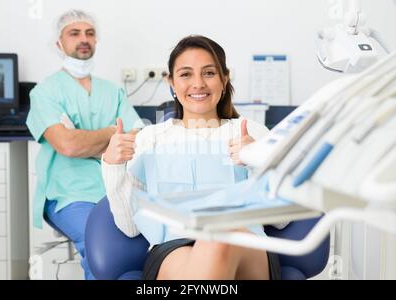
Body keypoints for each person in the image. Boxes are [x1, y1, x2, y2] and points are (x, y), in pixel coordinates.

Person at [102, 35, 282, 280]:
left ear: (224, 78)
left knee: (219, 238)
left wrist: (260, 161)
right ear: (172, 83)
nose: (198, 83)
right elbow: (130, 228)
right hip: (175, 249)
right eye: (186, 74)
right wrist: (113, 166)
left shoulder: (253, 133)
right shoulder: (150, 138)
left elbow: (281, 221)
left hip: (246, 246)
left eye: (209, 73)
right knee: (213, 245)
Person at [26, 10, 143, 280]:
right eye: (74, 33)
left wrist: (85, 137)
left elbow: (137, 137)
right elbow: (68, 146)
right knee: (103, 251)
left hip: (116, 187)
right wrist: (112, 134)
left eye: (90, 33)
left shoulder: (112, 91)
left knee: (143, 248)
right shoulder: (45, 92)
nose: (84, 39)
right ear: (59, 43)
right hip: (69, 194)